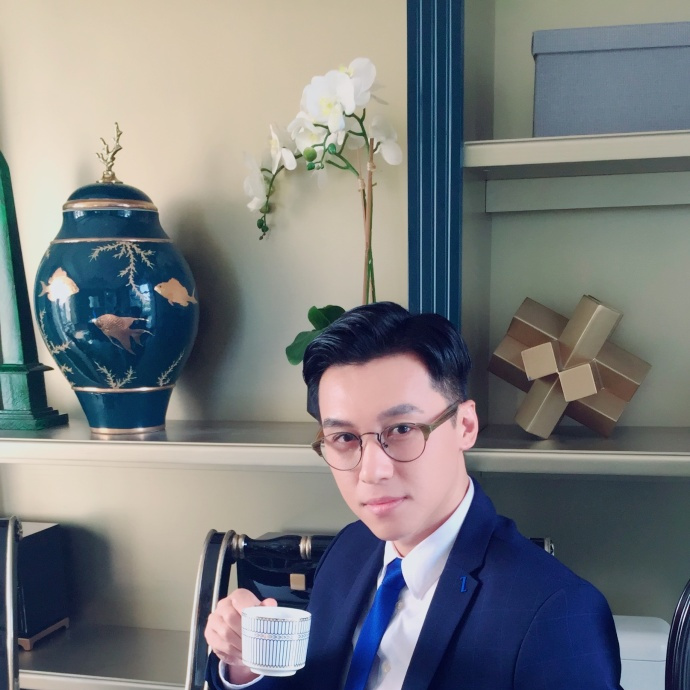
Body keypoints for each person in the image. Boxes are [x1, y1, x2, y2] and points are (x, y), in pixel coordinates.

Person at [205, 301, 623, 690]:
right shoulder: (350, 550)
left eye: (402, 430)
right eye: (345, 437)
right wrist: (245, 665)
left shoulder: (558, 612)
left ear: (465, 426)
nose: (372, 471)